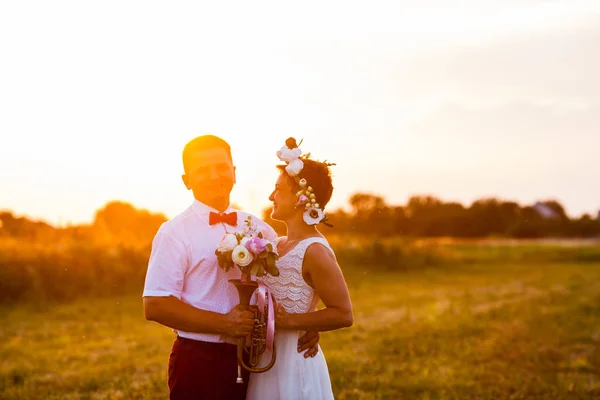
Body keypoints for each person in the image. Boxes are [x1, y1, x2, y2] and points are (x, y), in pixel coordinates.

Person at [142, 135, 320, 400]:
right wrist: (224, 323)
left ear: (234, 173)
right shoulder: (173, 233)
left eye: (222, 167)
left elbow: (292, 277)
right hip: (199, 361)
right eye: (202, 170)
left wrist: (306, 322)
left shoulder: (261, 228)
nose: (215, 175)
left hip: (260, 359)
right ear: (186, 180)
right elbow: (155, 304)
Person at [246, 138, 354, 400]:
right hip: (264, 361)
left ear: (300, 198)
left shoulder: (314, 251)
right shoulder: (274, 244)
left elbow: (343, 313)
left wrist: (292, 321)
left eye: (278, 189)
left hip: (293, 361)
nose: (271, 196)